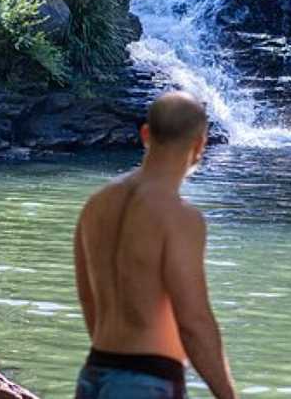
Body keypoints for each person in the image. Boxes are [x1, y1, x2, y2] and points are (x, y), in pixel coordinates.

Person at [73, 91, 238, 399]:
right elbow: (193, 321)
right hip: (148, 380)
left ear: (145, 134)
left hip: (95, 374)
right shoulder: (180, 216)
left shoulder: (95, 204)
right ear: (200, 145)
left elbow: (87, 297)